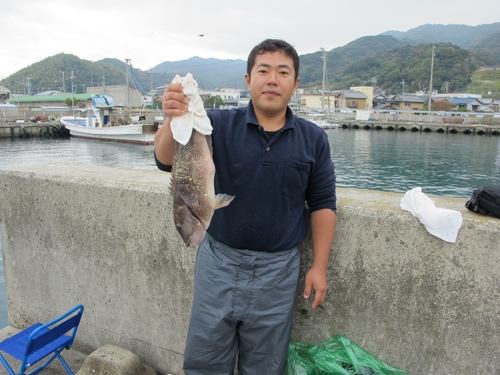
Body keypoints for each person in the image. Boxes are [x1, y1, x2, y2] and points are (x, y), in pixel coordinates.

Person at [155, 39, 337, 375]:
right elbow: (166, 160)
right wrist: (172, 116)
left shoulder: (314, 139)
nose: (272, 79)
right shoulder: (217, 125)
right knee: (205, 360)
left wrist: (320, 266)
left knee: (265, 366)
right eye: (263, 70)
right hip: (218, 262)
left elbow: (324, 204)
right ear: (248, 79)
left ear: (295, 84)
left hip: (279, 271)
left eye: (283, 72)